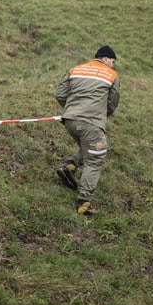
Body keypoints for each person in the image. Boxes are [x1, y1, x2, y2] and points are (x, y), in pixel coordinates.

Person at [55, 45, 120, 216]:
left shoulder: (75, 69)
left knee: (88, 148)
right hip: (91, 123)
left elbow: (60, 94)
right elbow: (112, 103)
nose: (112, 65)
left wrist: (71, 110)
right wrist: (100, 114)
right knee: (95, 160)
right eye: (112, 61)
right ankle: (84, 202)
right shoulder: (111, 75)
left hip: (70, 120)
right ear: (106, 58)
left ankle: (70, 166)